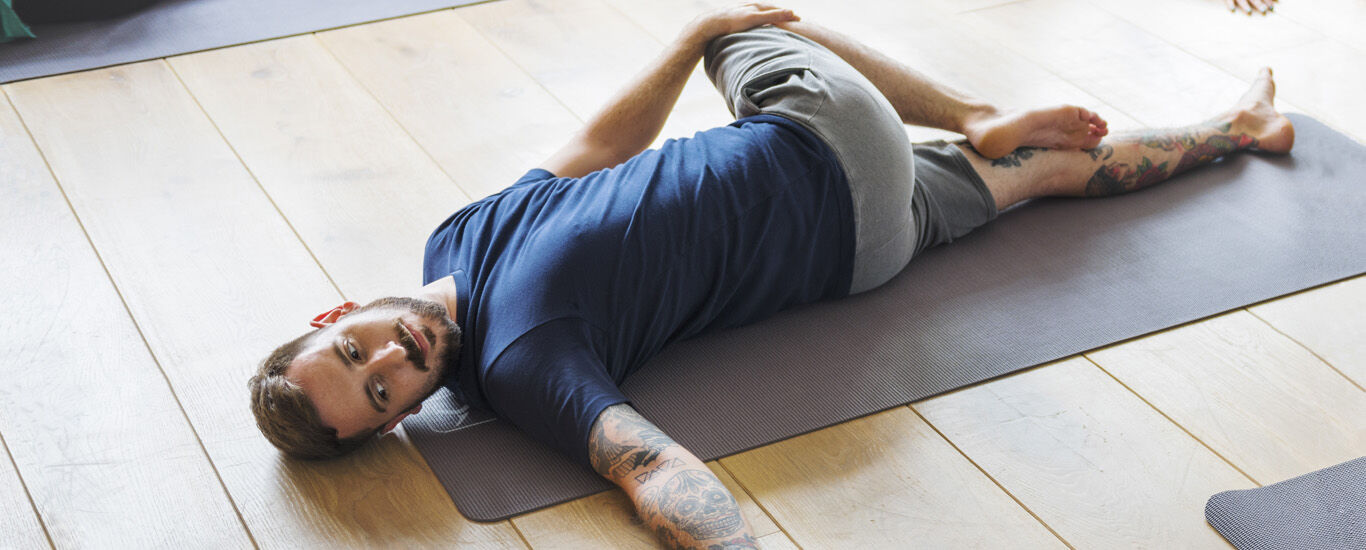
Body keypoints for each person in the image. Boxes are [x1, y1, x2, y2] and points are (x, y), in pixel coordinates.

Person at [248, 4, 1294, 548]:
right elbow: (644, 464)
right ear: (402, 419)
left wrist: (675, 42)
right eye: (385, 388)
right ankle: (973, 110)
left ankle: (1235, 130)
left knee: (1046, 174)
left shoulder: (451, 242)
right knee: (752, 26)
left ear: (337, 310)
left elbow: (589, 153)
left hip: (860, 256)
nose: (394, 356)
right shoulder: (521, 364)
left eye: (357, 347)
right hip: (820, 150)